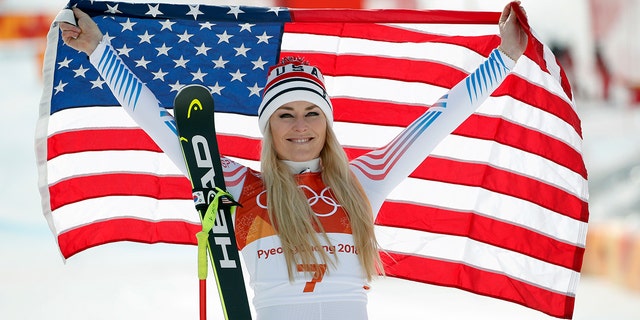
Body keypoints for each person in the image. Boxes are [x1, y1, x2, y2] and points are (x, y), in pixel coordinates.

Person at [59, 2, 527, 319]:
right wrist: (98, 49)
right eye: (285, 114)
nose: (300, 126)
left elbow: (440, 118)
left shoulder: (367, 179)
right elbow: (160, 122)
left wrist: (504, 58)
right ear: (268, 126)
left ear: (327, 124)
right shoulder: (241, 186)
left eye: (311, 114)